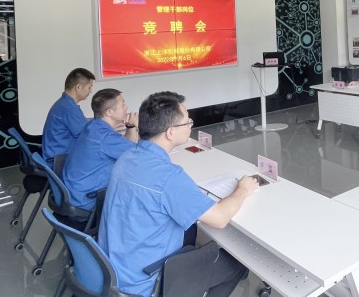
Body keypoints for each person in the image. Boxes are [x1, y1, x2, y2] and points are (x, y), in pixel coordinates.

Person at [98, 91, 258, 296]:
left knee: (190, 229)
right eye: (187, 121)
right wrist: (243, 189)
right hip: (144, 281)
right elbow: (219, 219)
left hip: (113, 266)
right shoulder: (168, 177)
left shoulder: (127, 157)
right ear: (170, 132)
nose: (191, 124)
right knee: (235, 264)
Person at [62, 89, 139, 211]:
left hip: (75, 191)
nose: (126, 107)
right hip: (87, 200)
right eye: (122, 104)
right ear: (109, 112)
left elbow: (126, 147)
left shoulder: (93, 126)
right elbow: (141, 155)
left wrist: (131, 126)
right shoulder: (105, 137)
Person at [42, 68, 96, 167]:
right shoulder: (69, 108)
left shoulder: (63, 103)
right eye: (89, 87)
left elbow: (81, 124)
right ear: (78, 87)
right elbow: (88, 135)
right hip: (59, 161)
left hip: (54, 155)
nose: (91, 91)